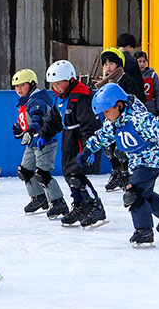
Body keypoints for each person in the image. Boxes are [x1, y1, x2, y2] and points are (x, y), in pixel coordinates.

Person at [79, 83, 159, 248]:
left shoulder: (138, 120)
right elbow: (102, 136)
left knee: (133, 193)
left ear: (119, 105)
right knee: (142, 192)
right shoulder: (113, 123)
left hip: (152, 160)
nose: (105, 116)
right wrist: (88, 150)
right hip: (137, 163)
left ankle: (144, 231)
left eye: (107, 111)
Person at [36, 60, 107, 227]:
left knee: (76, 176)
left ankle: (96, 205)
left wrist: (89, 149)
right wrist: (44, 135)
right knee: (69, 175)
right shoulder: (61, 99)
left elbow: (89, 126)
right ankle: (80, 205)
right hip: (69, 140)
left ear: (70, 79)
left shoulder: (81, 97)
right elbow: (54, 120)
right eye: (53, 84)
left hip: (82, 140)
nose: (56, 88)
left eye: (59, 83)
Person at [11, 68, 65, 216]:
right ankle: (39, 197)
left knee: (42, 173)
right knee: (25, 171)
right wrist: (19, 129)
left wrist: (29, 131)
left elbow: (38, 118)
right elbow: (26, 120)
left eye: (22, 85)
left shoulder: (37, 100)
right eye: (16, 86)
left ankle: (58, 201)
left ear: (32, 84)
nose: (19, 89)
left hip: (44, 142)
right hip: (32, 144)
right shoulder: (27, 101)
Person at [93, 47, 146, 191]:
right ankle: (116, 174)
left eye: (111, 63)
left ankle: (126, 175)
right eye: (105, 64)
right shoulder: (104, 83)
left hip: (125, 122)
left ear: (119, 64)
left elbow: (136, 100)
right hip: (110, 122)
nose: (108, 67)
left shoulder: (127, 81)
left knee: (121, 150)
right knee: (109, 149)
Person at [135, 49, 159, 116]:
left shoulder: (152, 75)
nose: (141, 64)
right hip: (137, 109)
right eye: (139, 61)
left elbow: (158, 93)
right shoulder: (132, 75)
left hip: (151, 108)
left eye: (144, 61)